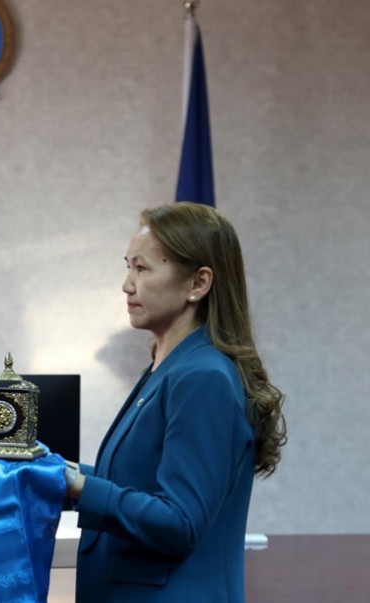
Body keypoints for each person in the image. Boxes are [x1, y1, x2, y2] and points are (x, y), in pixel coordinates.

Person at [63, 202, 286, 602]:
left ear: (198, 283)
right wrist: (55, 471)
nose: (126, 285)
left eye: (142, 269)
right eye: (128, 267)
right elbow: (137, 482)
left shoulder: (203, 377)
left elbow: (179, 521)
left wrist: (79, 486)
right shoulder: (169, 367)